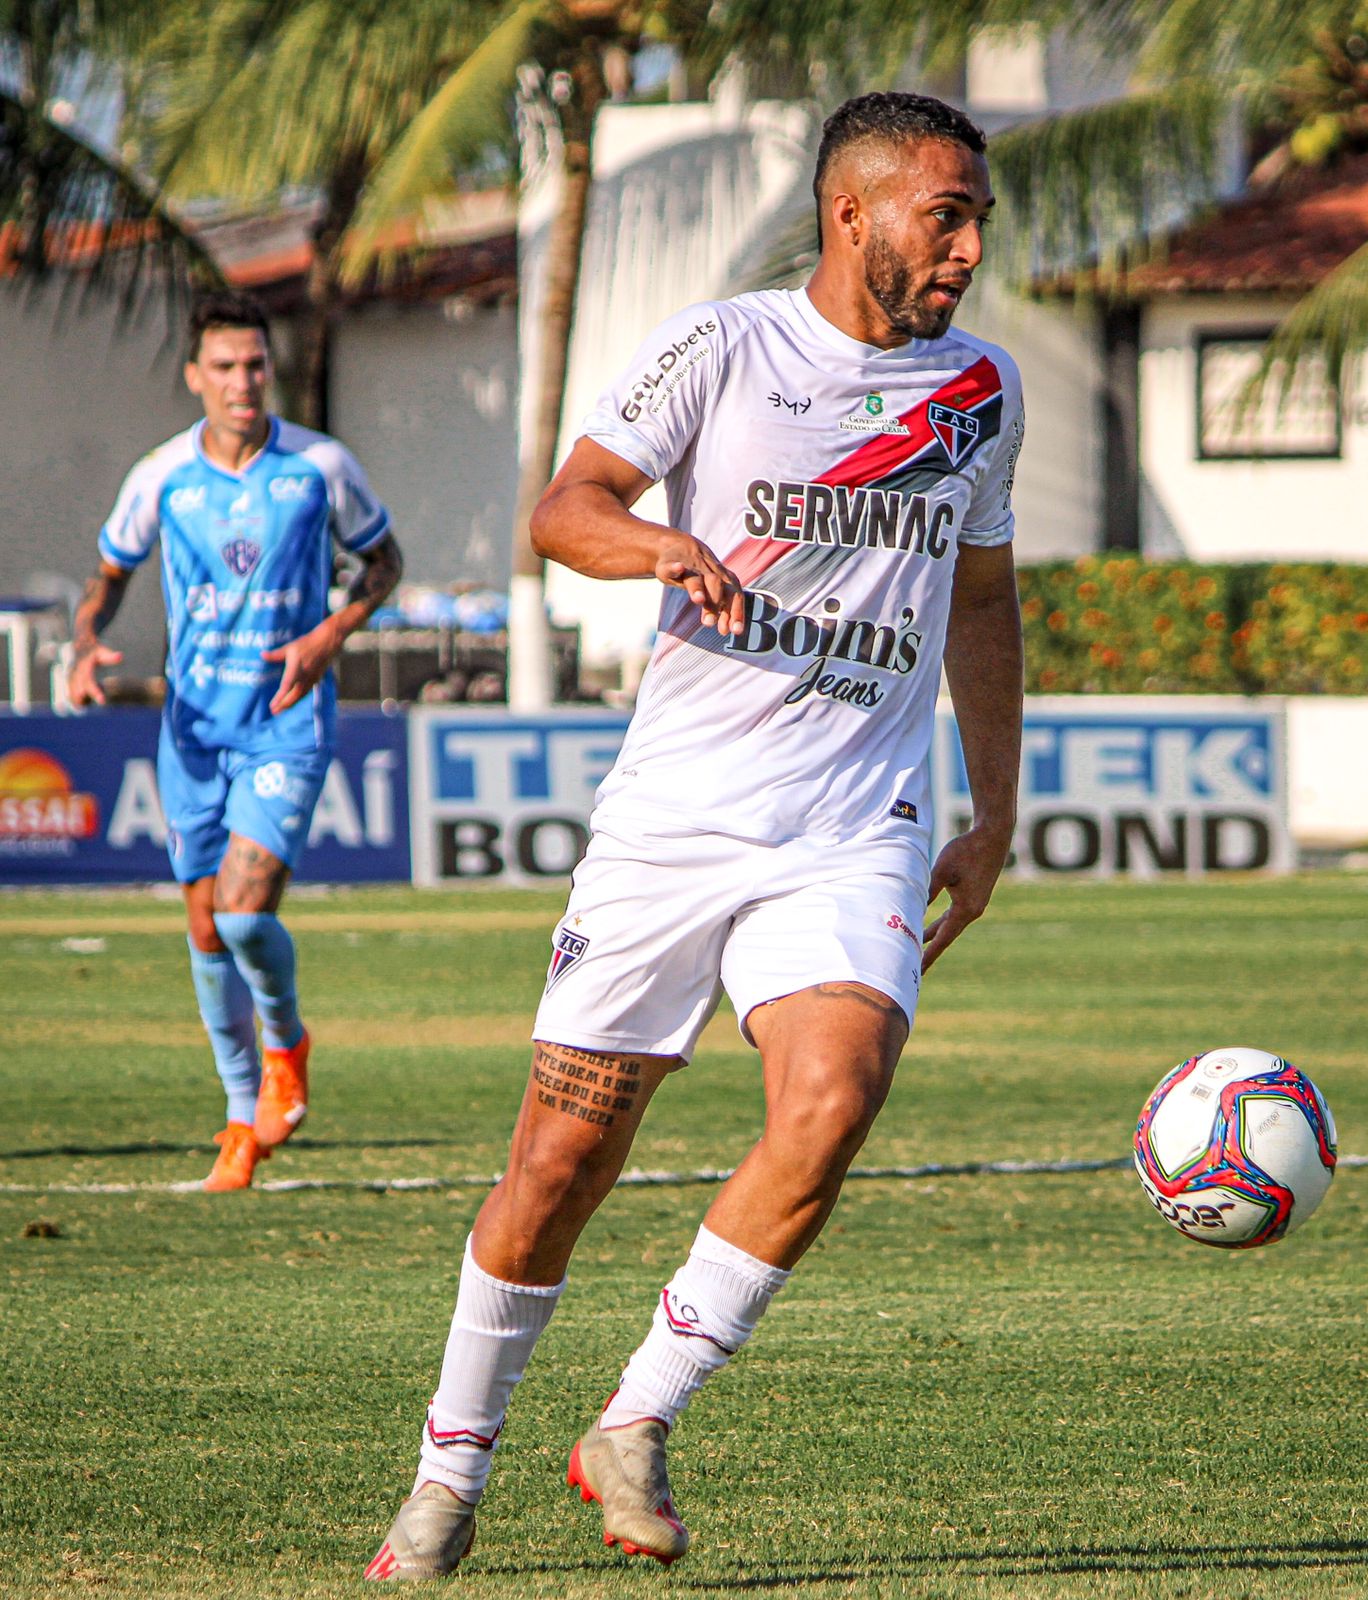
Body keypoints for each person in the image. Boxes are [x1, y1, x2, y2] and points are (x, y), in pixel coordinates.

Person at [365, 90, 1024, 1581]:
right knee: (558, 1167)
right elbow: (564, 506)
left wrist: (995, 812)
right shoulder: (723, 348)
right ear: (854, 214)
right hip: (672, 828)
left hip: (854, 826)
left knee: (835, 1095)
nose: (972, 246)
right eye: (948, 212)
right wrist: (655, 543)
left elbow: (982, 602)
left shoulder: (981, 390)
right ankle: (447, 1470)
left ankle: (635, 1418)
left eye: (978, 213)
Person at [69, 290, 403, 1192]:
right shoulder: (160, 477)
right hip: (193, 732)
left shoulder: (322, 466)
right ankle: (237, 1117)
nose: (242, 381)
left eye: (255, 363)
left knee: (244, 911)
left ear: (270, 369)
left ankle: (286, 1041)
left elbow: (384, 562)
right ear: (195, 377)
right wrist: (85, 641)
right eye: (223, 366)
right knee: (202, 928)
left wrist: (331, 633)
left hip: (286, 719)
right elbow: (106, 579)